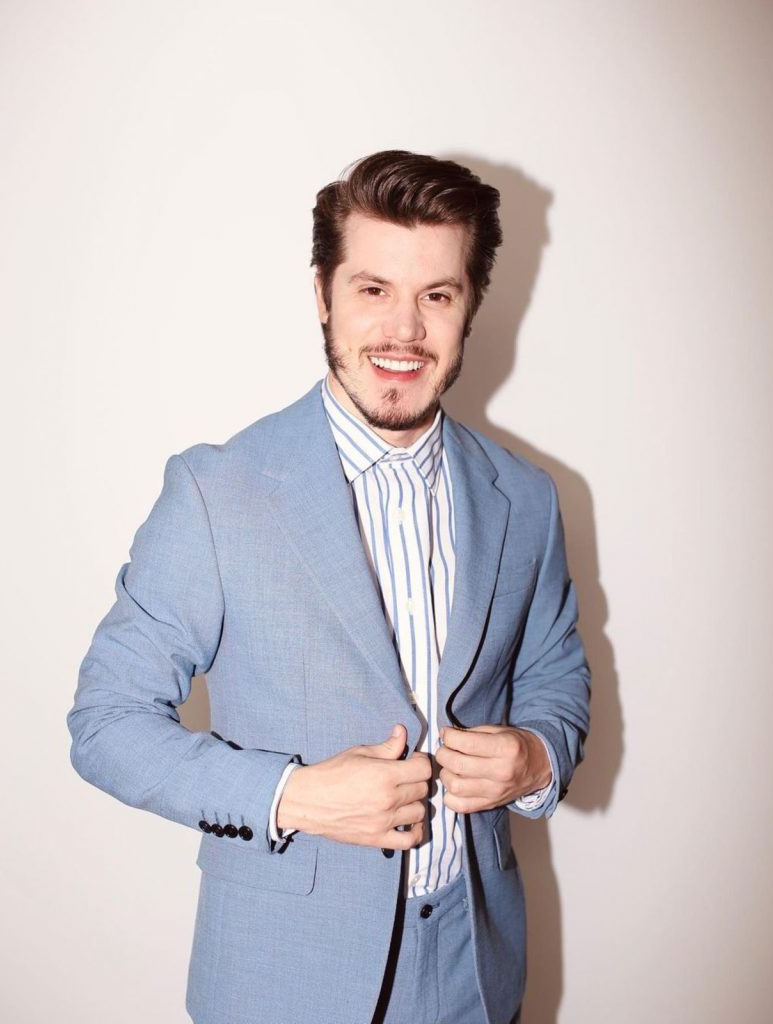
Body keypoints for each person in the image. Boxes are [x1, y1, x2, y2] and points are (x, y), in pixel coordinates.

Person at [67, 149, 591, 1024]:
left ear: (470, 305)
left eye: (436, 295)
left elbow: (553, 671)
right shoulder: (217, 492)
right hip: (285, 981)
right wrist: (292, 795)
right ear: (322, 294)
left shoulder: (526, 497)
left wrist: (536, 755)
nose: (404, 331)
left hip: (477, 971)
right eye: (372, 289)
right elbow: (106, 724)